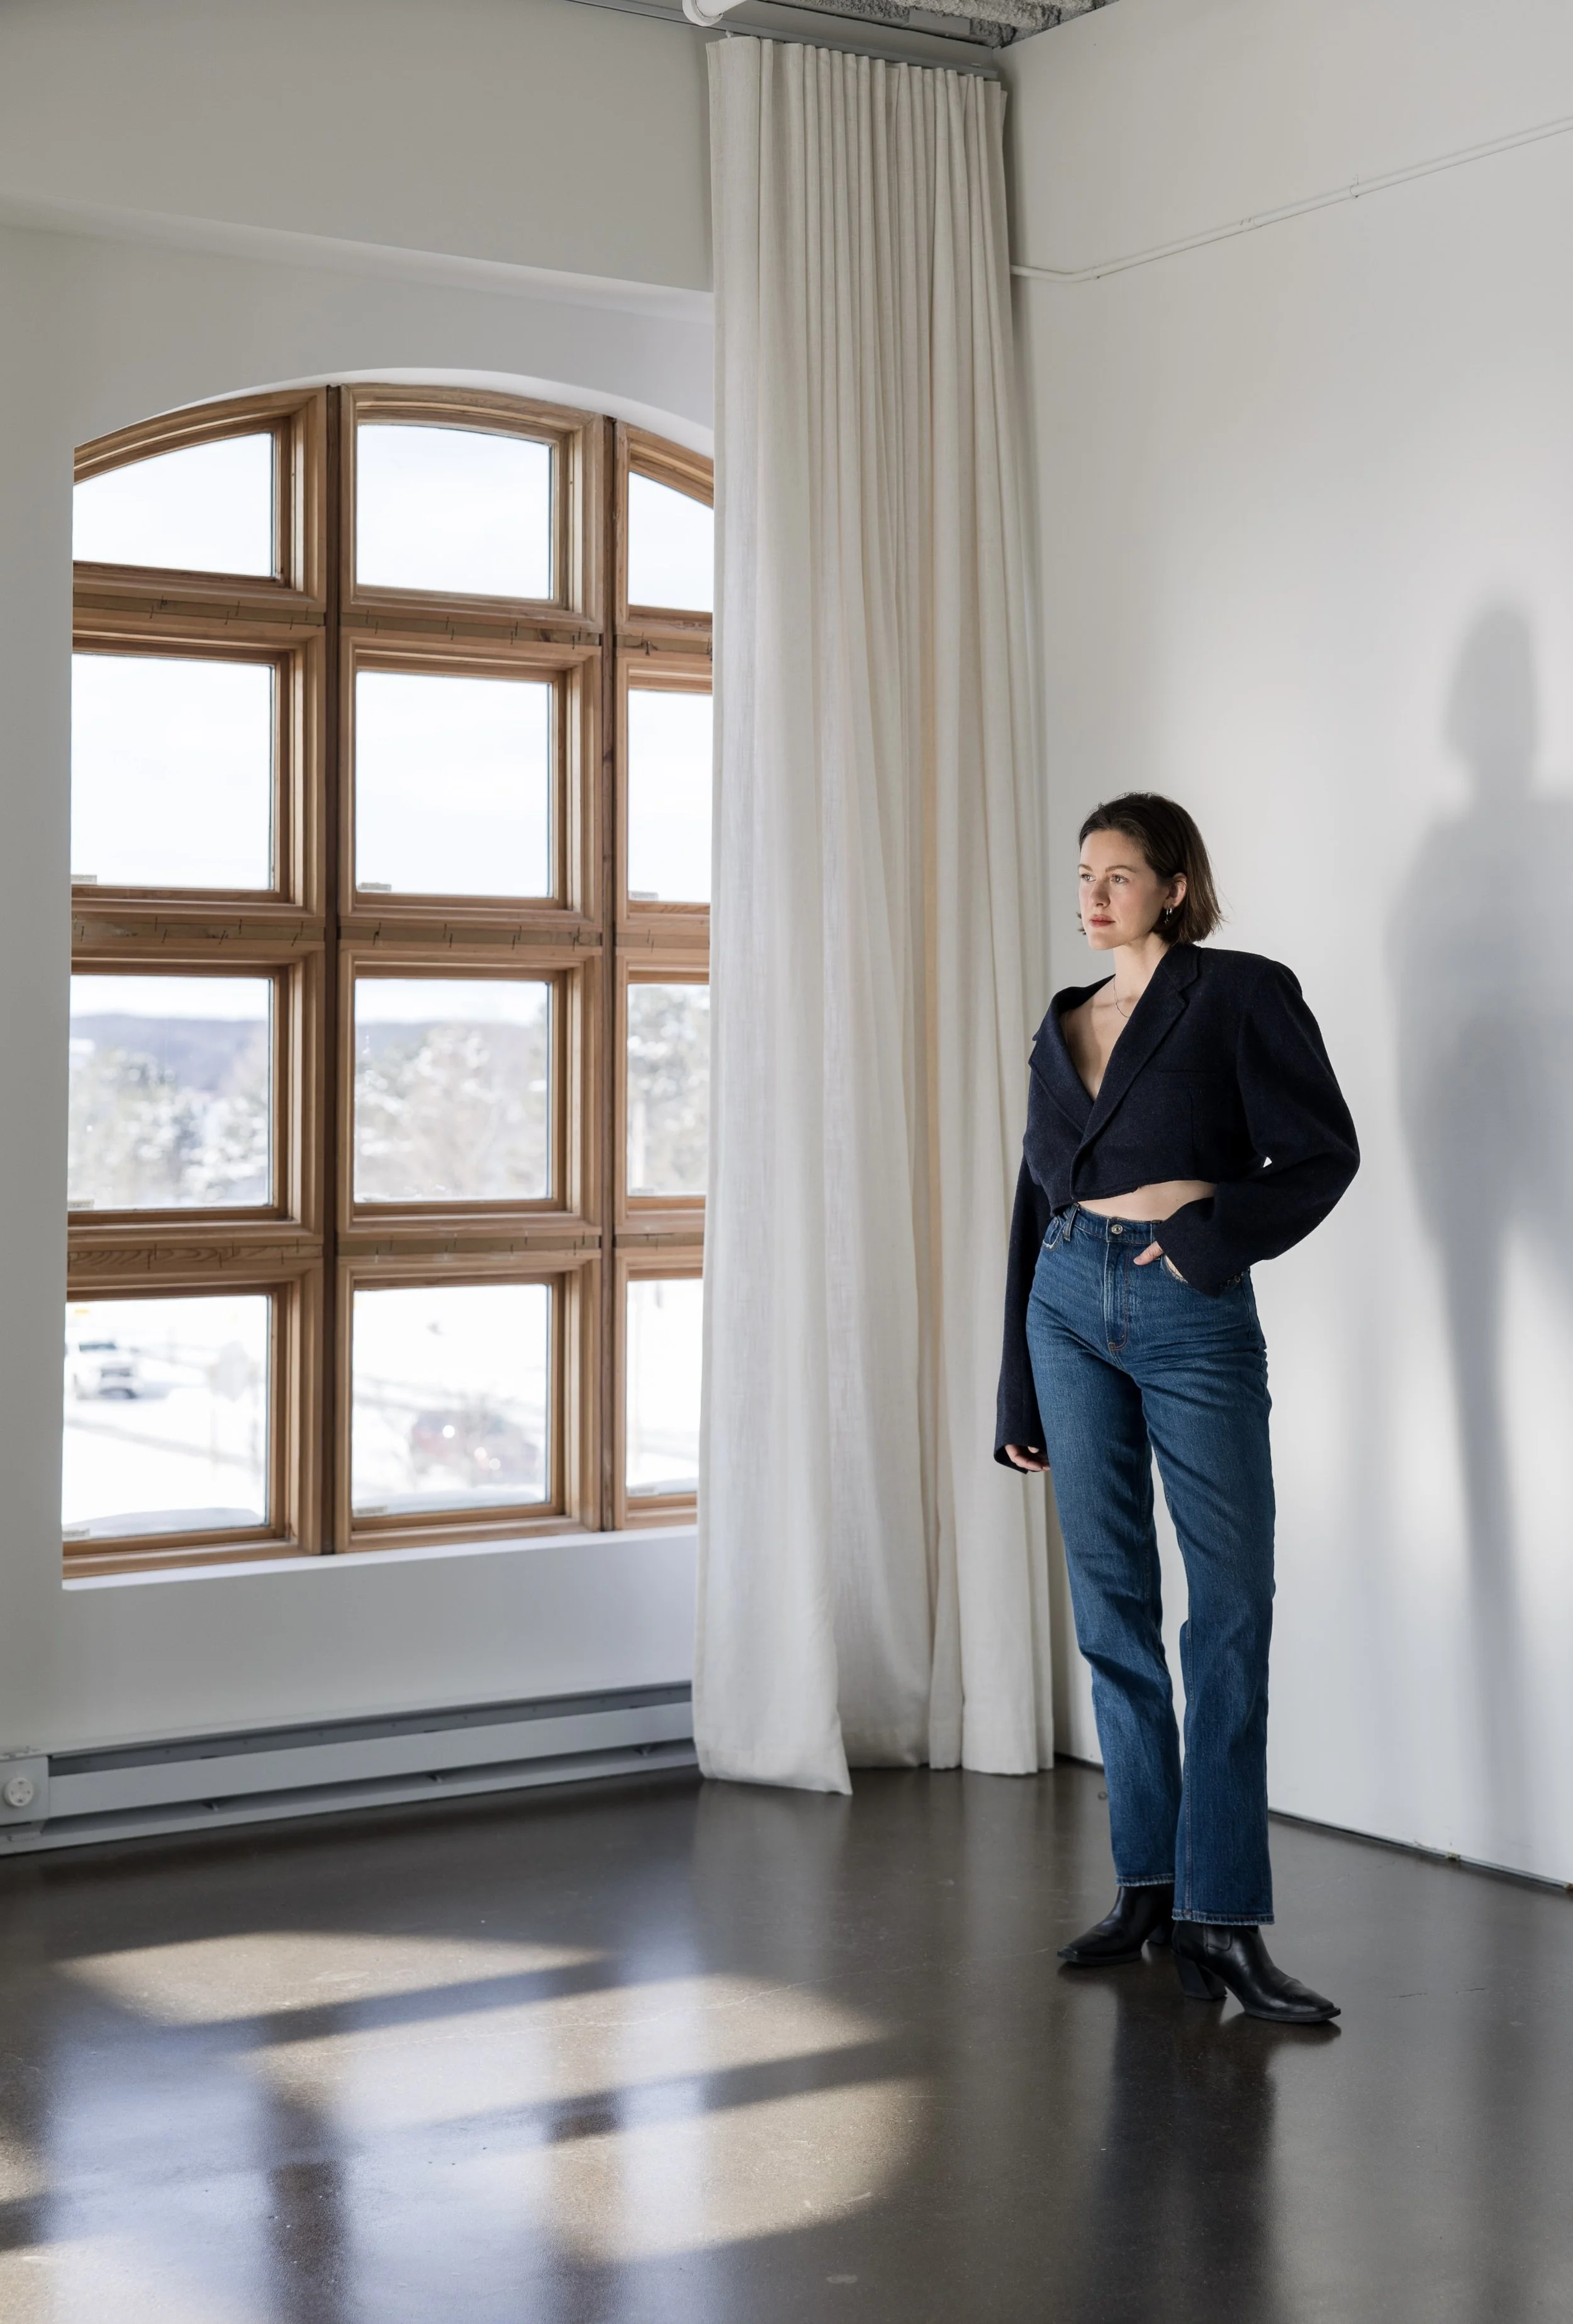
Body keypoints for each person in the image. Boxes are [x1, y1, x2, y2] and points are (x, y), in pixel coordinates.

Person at [997, 794, 1358, 2025]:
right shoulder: (1061, 1024)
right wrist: (1015, 1385)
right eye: (1082, 873)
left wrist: (1203, 1241)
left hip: (1185, 1301)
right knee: (1110, 1610)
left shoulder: (1241, 992)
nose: (1092, 894)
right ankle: (1146, 1885)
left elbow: (1321, 1153)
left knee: (1229, 1610)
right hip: (1063, 1304)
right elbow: (1031, 1197)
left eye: (1118, 874)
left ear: (1171, 885)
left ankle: (1223, 1913)